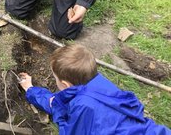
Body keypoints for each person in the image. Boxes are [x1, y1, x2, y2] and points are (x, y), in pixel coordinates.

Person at [18, 44, 171, 134]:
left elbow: (69, 128)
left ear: (65, 84)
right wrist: (31, 89)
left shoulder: (83, 107)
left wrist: (58, 113)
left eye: (55, 78)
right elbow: (58, 101)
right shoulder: (99, 82)